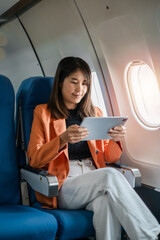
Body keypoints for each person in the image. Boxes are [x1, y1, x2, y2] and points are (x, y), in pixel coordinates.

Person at [27, 57, 160, 240]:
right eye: (74, 82)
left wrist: (115, 140)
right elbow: (34, 158)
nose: (79, 89)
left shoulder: (94, 113)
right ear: (60, 83)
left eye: (84, 83)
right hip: (64, 183)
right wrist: (61, 140)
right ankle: (149, 235)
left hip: (93, 176)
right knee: (109, 175)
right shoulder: (43, 113)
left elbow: (109, 157)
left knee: (105, 203)